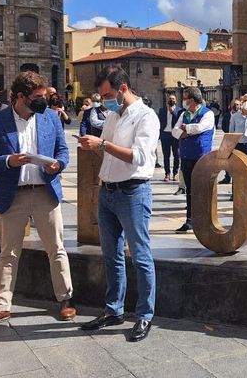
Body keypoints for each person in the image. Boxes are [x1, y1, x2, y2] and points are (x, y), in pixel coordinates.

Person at [0, 72, 74, 329]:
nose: (44, 101)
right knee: (8, 253)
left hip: (45, 191)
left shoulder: (50, 117)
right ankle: (2, 306)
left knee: (57, 248)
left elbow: (62, 150)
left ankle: (65, 299)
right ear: (20, 97)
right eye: (38, 97)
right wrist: (8, 161)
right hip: (12, 194)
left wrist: (58, 164)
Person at [78, 66, 159, 341]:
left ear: (123, 89)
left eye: (108, 95)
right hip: (108, 191)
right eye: (101, 97)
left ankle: (145, 315)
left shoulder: (146, 117)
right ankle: (114, 310)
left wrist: (101, 145)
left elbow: (138, 156)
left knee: (140, 255)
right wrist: (96, 146)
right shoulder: (114, 115)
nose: (105, 101)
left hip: (133, 192)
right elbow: (109, 151)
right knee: (111, 254)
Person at [173, 87, 214, 233]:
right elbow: (175, 131)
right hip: (186, 156)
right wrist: (185, 132)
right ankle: (190, 220)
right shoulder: (184, 114)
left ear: (191, 100)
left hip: (200, 156)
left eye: (185, 98)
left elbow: (202, 127)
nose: (182, 101)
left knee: (202, 189)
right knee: (190, 190)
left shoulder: (207, 113)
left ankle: (205, 219)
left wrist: (186, 128)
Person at [158, 94, 182, 182]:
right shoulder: (162, 110)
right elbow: (160, 122)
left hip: (175, 135)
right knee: (166, 156)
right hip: (165, 134)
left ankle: (175, 174)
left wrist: (173, 112)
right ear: (167, 100)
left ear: (175, 100)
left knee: (176, 155)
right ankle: (167, 174)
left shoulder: (179, 111)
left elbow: (179, 121)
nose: (171, 100)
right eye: (170, 99)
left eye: (173, 99)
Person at [218, 99, 241, 185]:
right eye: (234, 104)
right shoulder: (227, 115)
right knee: (226, 159)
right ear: (231, 105)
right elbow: (224, 127)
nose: (236, 106)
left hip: (239, 141)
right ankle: (227, 176)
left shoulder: (242, 115)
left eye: (238, 104)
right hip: (229, 139)